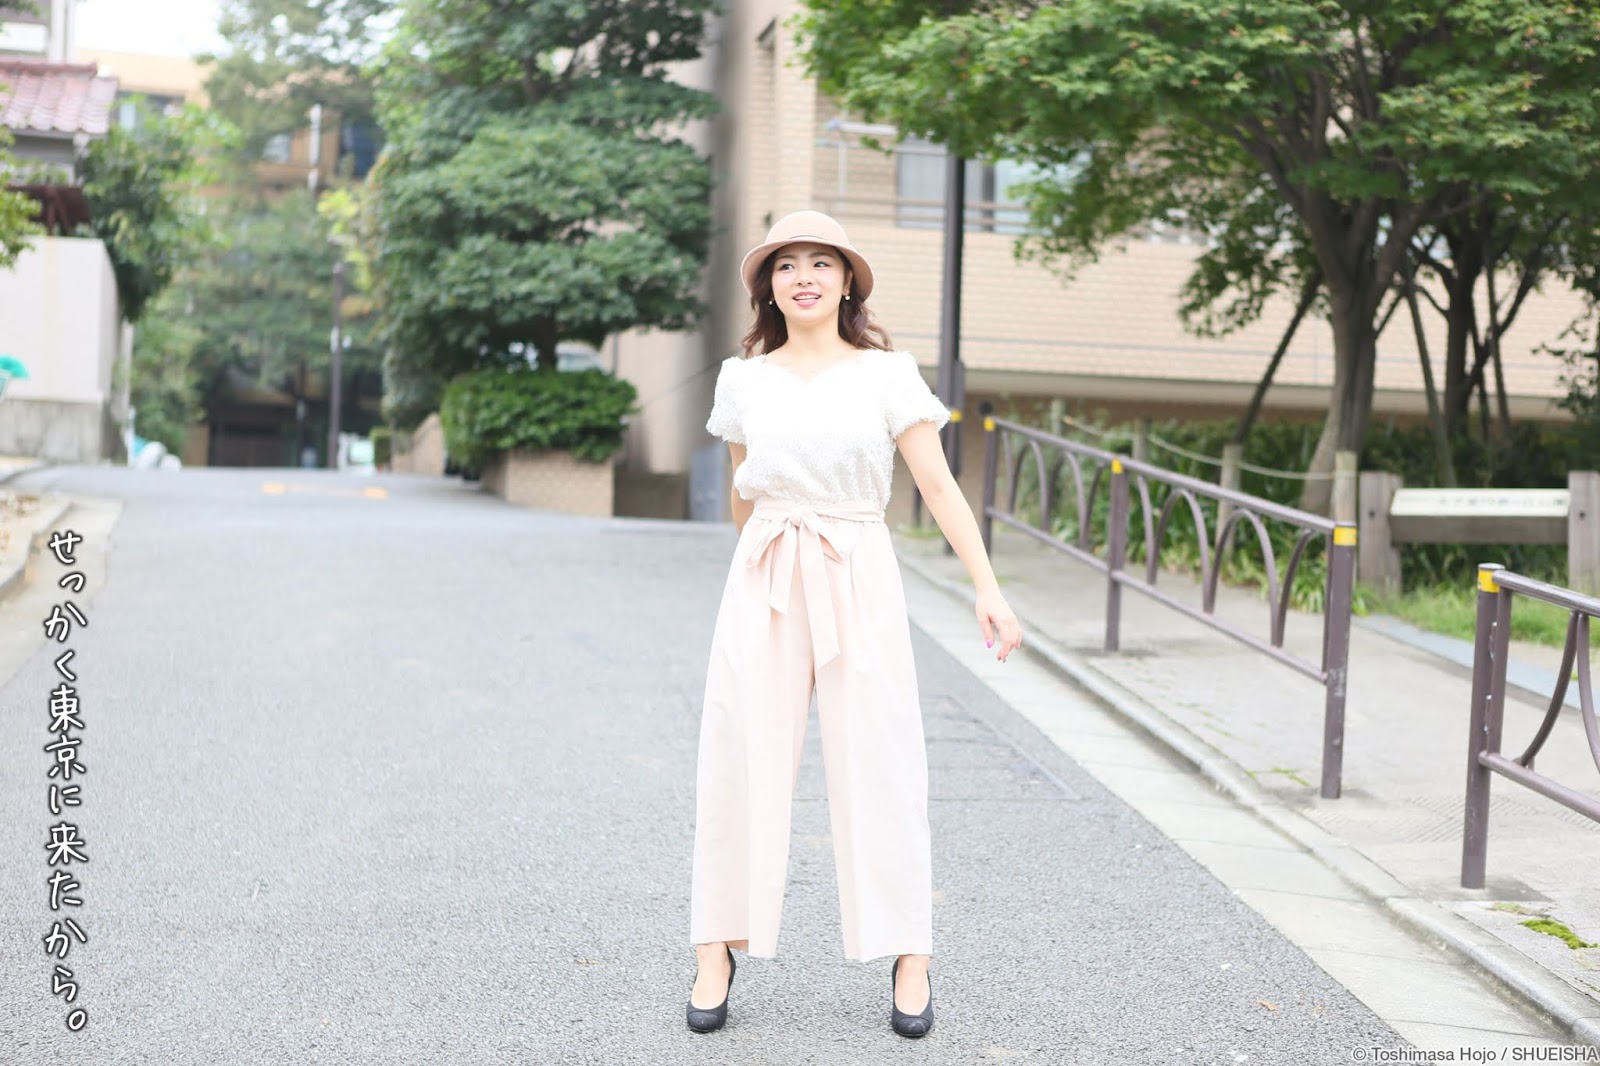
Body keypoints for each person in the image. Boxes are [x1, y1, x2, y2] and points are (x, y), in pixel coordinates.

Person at [688, 210, 1024, 1038]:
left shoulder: (887, 375)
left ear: (847, 282)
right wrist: (754, 573)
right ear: (768, 287)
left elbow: (938, 486)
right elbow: (743, 494)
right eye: (785, 264)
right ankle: (715, 945)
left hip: (858, 566)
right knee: (738, 755)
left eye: (821, 262)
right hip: (766, 570)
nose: (802, 276)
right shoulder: (743, 381)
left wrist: (988, 587)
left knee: (882, 758)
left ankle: (911, 952)